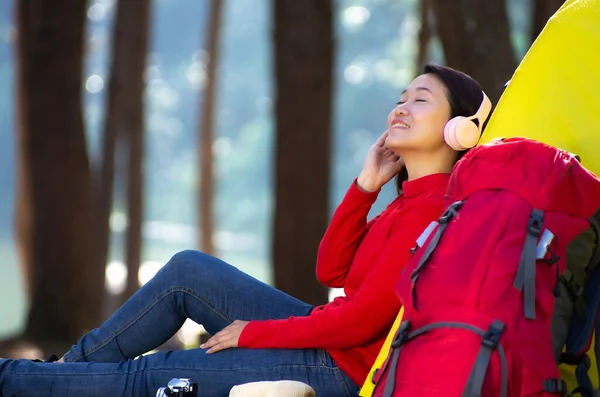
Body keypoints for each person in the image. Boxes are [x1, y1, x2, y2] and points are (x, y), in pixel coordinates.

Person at [0, 64, 491, 397]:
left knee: (157, 373)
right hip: (334, 344)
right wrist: (365, 187)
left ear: (460, 130)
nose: (399, 109)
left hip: (347, 371)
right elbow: (333, 268)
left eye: (420, 100)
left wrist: (253, 333)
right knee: (188, 271)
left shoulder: (436, 212)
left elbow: (362, 322)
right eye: (400, 98)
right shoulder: (408, 201)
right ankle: (61, 375)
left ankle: (17, 380)